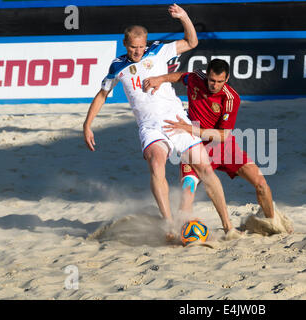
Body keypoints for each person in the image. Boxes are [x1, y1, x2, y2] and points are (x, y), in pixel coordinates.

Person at [83, 5, 238, 239]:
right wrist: (87, 125)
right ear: (125, 44)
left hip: (176, 120)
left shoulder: (159, 51)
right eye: (133, 47)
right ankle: (169, 226)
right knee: (157, 165)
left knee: (205, 168)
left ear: (147, 42)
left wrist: (184, 17)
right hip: (150, 126)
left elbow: (191, 42)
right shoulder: (117, 66)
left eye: (141, 46)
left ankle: (228, 226)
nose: (137, 51)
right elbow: (102, 95)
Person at [143, 59, 293, 234]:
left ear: (227, 78)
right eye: (212, 80)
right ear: (207, 75)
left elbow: (223, 135)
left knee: (260, 182)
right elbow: (180, 77)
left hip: (222, 146)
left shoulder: (231, 98)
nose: (215, 85)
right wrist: (161, 78)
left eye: (220, 81)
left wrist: (189, 128)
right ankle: (182, 232)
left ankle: (272, 222)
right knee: (187, 190)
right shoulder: (196, 77)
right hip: (193, 145)